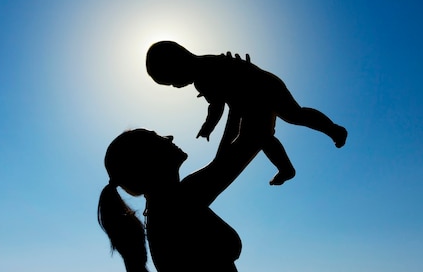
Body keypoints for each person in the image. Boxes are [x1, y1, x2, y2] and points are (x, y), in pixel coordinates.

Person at [98, 121, 263, 272]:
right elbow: (252, 138)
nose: (169, 137)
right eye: (156, 137)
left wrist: (234, 107)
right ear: (148, 159)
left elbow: (226, 156)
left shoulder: (165, 206)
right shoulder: (176, 202)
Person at [146, 40, 348, 186]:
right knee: (265, 137)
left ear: (178, 62)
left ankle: (333, 130)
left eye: (172, 81)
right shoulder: (205, 67)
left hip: (264, 88)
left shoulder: (204, 74)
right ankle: (287, 168)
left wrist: (210, 130)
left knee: (295, 115)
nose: (176, 86)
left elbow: (220, 108)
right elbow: (224, 107)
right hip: (254, 99)